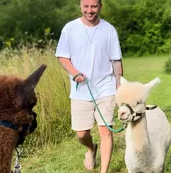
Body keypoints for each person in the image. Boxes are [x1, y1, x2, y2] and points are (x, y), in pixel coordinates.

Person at [55, 0, 123, 172]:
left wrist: (119, 86)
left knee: (105, 131)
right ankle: (91, 148)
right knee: (81, 133)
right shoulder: (70, 28)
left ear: (101, 7)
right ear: (80, 6)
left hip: (105, 87)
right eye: (86, 6)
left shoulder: (109, 30)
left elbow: (116, 60)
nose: (90, 10)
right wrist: (74, 72)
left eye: (93, 6)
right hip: (81, 90)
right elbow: (62, 56)